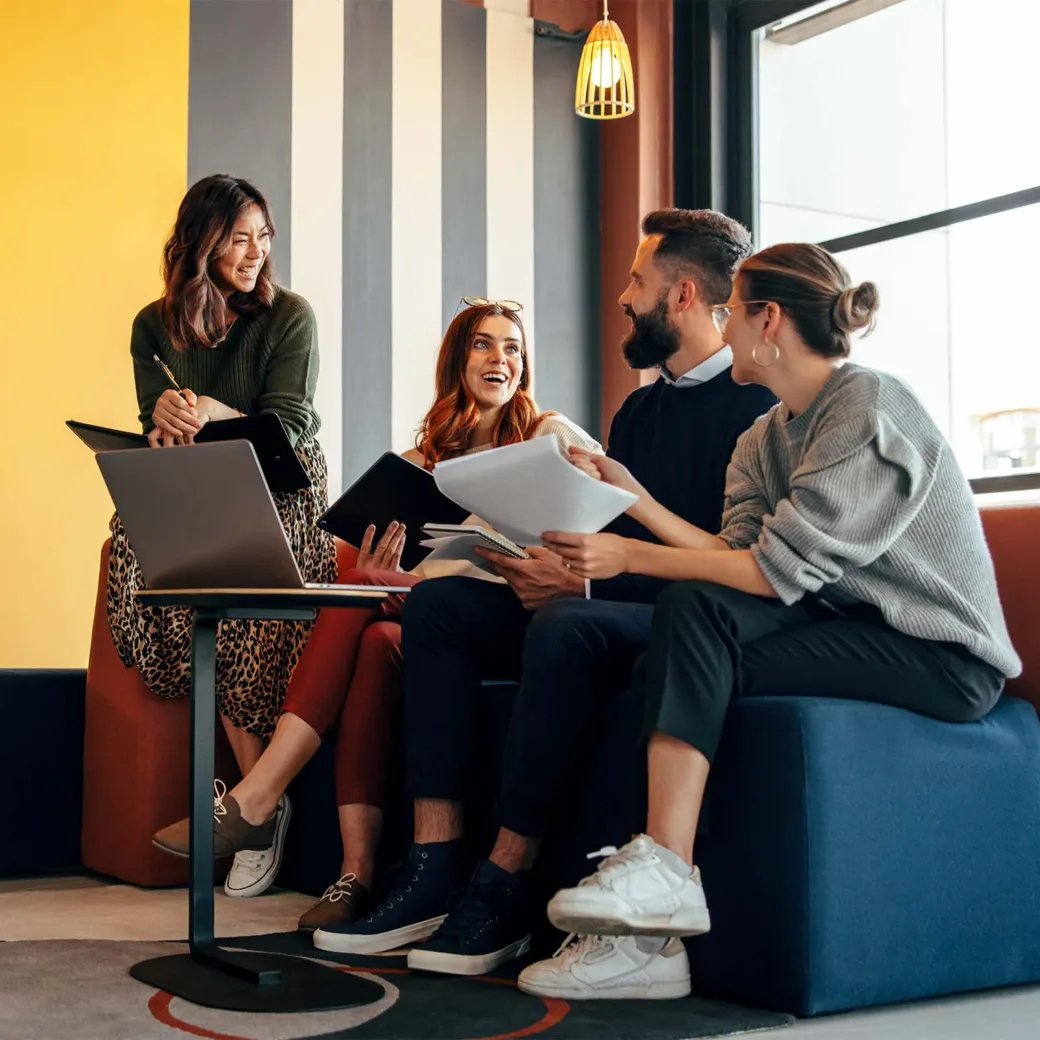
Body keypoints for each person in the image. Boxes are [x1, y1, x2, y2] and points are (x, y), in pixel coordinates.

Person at [528, 242, 1021, 1000]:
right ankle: (654, 941)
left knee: (690, 620)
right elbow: (736, 555)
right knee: (674, 642)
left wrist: (628, 554)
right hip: (850, 627)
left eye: (732, 314)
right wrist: (634, 498)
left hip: (940, 655)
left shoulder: (869, 407)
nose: (721, 331)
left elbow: (767, 572)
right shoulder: (764, 437)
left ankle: (663, 879)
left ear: (770, 320)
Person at [311, 209, 777, 986]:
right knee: (439, 611)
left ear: (685, 294)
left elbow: (729, 563)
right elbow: (595, 525)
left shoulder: (756, 410)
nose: (623, 297)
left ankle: (505, 886)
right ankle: (433, 865)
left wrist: (585, 582)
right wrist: (548, 565)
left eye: (637, 280)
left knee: (565, 628)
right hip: (603, 595)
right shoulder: (637, 410)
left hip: (686, 618)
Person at [153, 300, 600, 923]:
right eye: (483, 345)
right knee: (364, 615)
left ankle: (258, 799)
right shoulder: (420, 465)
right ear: (457, 361)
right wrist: (376, 574)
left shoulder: (548, 435)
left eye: (513, 348)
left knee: (377, 613)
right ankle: (353, 875)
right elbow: (409, 580)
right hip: (434, 623)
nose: (500, 358)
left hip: (522, 616)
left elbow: (601, 520)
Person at [109, 173, 340, 896]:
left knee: (239, 604)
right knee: (134, 548)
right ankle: (257, 805)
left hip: (281, 488)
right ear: (201, 242)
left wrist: (215, 411)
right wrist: (167, 422)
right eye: (239, 237)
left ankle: (253, 806)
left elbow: (292, 423)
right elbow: (155, 415)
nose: (254, 251)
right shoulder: (154, 324)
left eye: (262, 237)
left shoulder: (289, 315)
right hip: (204, 483)